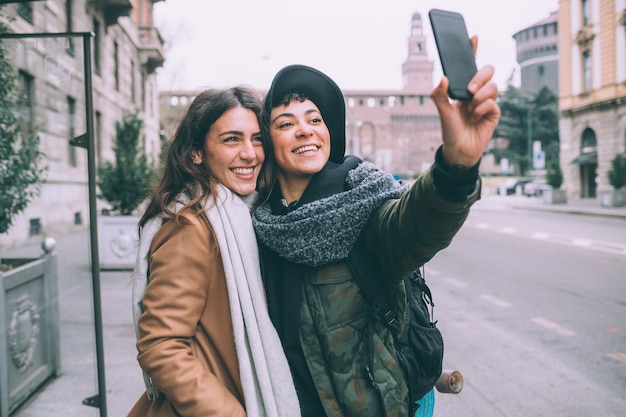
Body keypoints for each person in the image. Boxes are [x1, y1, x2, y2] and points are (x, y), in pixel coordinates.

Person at [252, 37, 500, 417]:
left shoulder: (364, 206)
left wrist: (456, 168)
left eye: (315, 119)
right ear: (268, 141)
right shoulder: (257, 223)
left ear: (329, 131)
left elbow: (416, 225)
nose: (305, 130)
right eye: (286, 123)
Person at [127, 86, 300, 417]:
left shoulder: (245, 217)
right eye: (232, 140)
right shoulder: (191, 228)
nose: (250, 154)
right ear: (197, 152)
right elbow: (161, 346)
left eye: (257, 139)